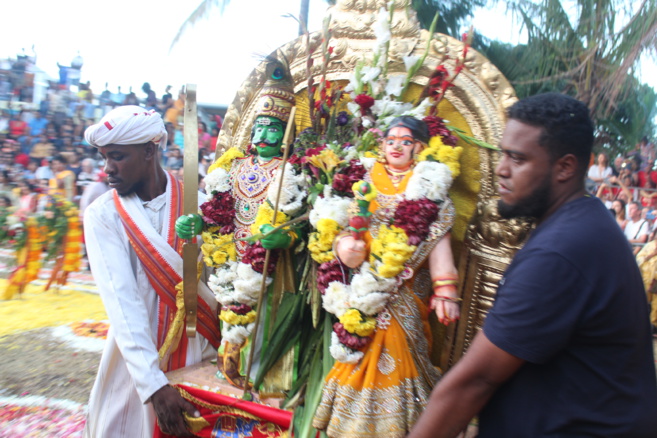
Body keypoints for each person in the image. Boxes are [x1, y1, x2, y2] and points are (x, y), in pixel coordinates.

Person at [408, 93, 657, 438]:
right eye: (502, 154)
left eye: (518, 158)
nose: (502, 170)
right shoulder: (583, 224)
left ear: (565, 167)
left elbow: (475, 381)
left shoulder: (561, 252)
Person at [313, 116, 461, 437]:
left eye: (405, 141)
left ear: (419, 148)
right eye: (390, 140)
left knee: (405, 352)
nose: (396, 146)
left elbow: (439, 245)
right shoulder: (360, 179)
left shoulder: (431, 189)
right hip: (364, 287)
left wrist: (446, 289)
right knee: (358, 351)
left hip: (408, 289)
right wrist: (348, 243)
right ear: (380, 145)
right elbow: (340, 236)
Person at [82, 105, 221, 438]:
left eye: (117, 156)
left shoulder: (201, 206)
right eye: (104, 157)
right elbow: (123, 304)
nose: (107, 169)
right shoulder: (103, 214)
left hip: (199, 356)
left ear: (149, 150)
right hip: (136, 370)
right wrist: (154, 387)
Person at [175, 71, 301, 393]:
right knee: (232, 315)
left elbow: (304, 223)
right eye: (259, 126)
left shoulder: (293, 171)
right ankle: (231, 367)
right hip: (234, 255)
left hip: (277, 262)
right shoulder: (235, 167)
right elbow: (220, 212)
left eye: (272, 128)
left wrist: (284, 237)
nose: (263, 134)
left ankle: (266, 377)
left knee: (268, 322)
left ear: (287, 134)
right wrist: (198, 223)